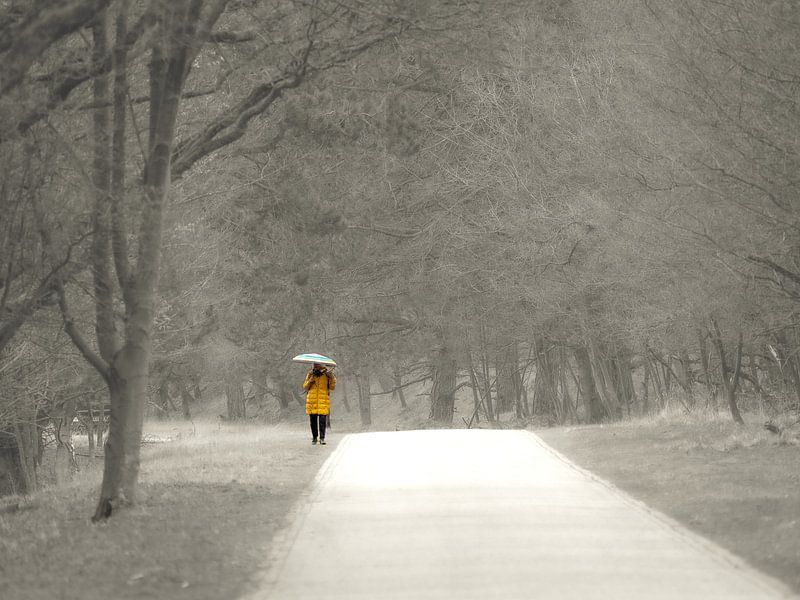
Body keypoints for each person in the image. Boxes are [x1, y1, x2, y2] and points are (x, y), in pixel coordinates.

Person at [303, 363, 336, 445]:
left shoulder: (327, 374)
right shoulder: (310, 374)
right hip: (312, 401)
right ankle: (314, 438)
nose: (315, 366)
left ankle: (322, 438)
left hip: (323, 400)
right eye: (314, 364)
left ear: (321, 365)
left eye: (317, 364)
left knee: (322, 421)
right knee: (313, 421)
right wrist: (310, 381)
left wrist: (331, 377)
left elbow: (332, 387)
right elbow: (305, 386)